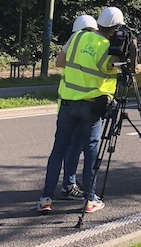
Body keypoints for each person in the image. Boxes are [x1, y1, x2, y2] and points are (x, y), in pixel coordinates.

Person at [38, 6, 123, 215]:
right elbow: (121, 69)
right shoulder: (108, 46)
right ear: (116, 28)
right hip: (92, 107)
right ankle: (89, 199)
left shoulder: (76, 38)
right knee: (91, 151)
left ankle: (46, 198)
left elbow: (59, 62)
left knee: (58, 150)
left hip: (67, 103)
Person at [55, 14, 99, 201]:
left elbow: (59, 63)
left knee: (69, 147)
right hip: (83, 104)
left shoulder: (71, 46)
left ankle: (68, 183)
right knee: (79, 147)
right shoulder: (90, 46)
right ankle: (70, 184)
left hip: (66, 103)